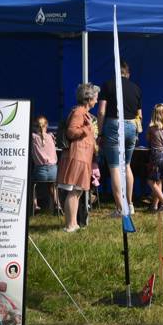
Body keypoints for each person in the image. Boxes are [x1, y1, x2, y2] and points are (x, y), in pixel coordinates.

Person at [97, 60, 142, 215]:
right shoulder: (136, 88)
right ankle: (130, 204)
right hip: (132, 126)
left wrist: (100, 132)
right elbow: (139, 115)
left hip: (113, 125)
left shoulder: (107, 85)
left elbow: (101, 111)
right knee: (127, 165)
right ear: (127, 73)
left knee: (114, 167)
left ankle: (120, 208)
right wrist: (136, 132)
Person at [57, 83, 99, 233]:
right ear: (88, 99)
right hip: (76, 156)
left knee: (77, 191)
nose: (96, 101)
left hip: (82, 156)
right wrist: (87, 129)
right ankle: (70, 225)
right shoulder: (79, 112)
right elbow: (71, 132)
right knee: (73, 191)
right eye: (95, 98)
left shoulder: (83, 113)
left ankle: (73, 223)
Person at [145, 104, 163, 212]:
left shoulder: (151, 128)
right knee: (159, 181)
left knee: (150, 181)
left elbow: (148, 140)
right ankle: (155, 206)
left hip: (156, 156)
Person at [30, 116, 59, 214]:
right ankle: (57, 204)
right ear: (47, 125)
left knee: (31, 184)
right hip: (54, 171)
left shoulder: (33, 137)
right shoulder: (51, 136)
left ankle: (35, 205)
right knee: (52, 186)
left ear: (34, 126)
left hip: (40, 171)